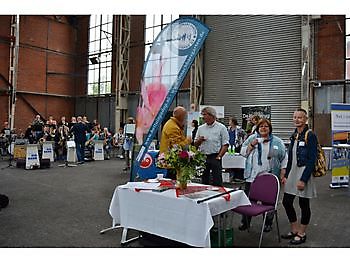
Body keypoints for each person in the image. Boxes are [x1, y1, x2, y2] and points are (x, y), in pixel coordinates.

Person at [239, 118, 287, 232]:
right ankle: (245, 222)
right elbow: (242, 152)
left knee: (268, 201)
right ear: (257, 128)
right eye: (261, 126)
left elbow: (284, 157)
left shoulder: (277, 141)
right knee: (248, 200)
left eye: (266, 126)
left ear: (270, 129)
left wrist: (283, 172)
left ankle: (268, 223)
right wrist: (251, 144)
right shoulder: (251, 138)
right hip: (252, 176)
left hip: (270, 176)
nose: (263, 128)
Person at [281, 108, 317, 245]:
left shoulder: (310, 135)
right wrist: (286, 174)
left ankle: (302, 233)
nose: (297, 119)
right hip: (293, 173)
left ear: (305, 119)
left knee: (303, 204)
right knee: (287, 202)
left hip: (303, 173)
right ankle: (294, 229)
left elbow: (312, 159)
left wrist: (303, 179)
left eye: (300, 117)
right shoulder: (294, 135)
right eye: (295, 117)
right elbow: (290, 158)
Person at [194, 106, 229, 186]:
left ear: (211, 115)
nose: (203, 117)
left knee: (217, 179)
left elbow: (225, 144)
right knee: (204, 179)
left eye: (204, 115)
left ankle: (218, 195)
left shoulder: (221, 128)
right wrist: (199, 140)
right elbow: (195, 144)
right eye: (202, 115)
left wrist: (219, 156)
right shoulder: (200, 128)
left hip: (215, 156)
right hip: (203, 157)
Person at [159, 106, 192, 179]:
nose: (186, 119)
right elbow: (176, 146)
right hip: (172, 160)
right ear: (181, 117)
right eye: (185, 116)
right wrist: (188, 140)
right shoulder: (173, 127)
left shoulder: (173, 124)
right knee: (173, 180)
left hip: (171, 159)